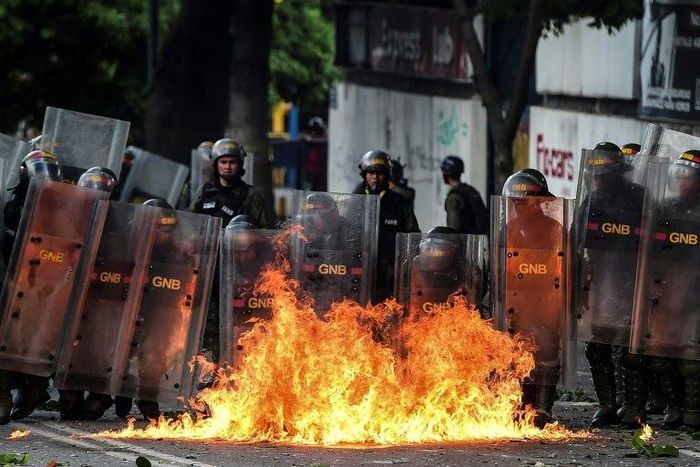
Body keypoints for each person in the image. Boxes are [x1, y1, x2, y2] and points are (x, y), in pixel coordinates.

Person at [576, 142, 646, 428]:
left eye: (603, 172)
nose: (598, 178)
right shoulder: (591, 202)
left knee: (631, 351)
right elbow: (576, 242)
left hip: (632, 282)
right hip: (602, 284)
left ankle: (633, 406)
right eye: (594, 173)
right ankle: (607, 405)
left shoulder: (639, 198)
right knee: (597, 348)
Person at [0, 150, 63, 422]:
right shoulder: (13, 207)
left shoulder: (62, 210)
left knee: (33, 342)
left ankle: (33, 389)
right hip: (10, 279)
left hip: (44, 283)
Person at [500, 169, 564, 428]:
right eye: (514, 201)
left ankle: (543, 407)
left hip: (547, 300)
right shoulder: (510, 229)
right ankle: (523, 407)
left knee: (546, 354)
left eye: (522, 201)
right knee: (518, 354)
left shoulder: (553, 228)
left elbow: (563, 266)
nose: (517, 206)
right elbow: (500, 266)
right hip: (517, 301)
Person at [57, 167, 120, 421]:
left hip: (103, 289)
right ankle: (68, 387)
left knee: (97, 341)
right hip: (72, 284)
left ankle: (99, 391)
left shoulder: (119, 218)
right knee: (69, 339)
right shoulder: (72, 215)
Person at [352, 150, 419, 302]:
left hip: (391, 273)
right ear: (364, 175)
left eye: (380, 173)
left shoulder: (400, 202)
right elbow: (347, 232)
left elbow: (412, 234)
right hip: (362, 269)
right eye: (371, 172)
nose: (375, 177)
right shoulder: (356, 200)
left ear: (387, 175)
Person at [191, 138, 269, 228]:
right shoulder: (204, 191)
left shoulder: (249, 194)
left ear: (239, 165)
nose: (227, 167)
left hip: (236, 241)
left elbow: (262, 230)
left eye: (232, 162)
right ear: (216, 164)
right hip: (205, 241)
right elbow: (190, 224)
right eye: (223, 162)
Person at [440, 155, 488, 234]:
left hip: (463, 243)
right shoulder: (471, 191)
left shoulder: (454, 198)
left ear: (446, 175)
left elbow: (453, 230)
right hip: (476, 241)